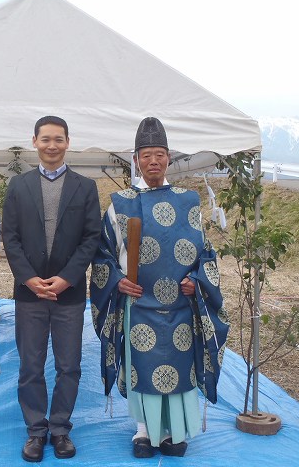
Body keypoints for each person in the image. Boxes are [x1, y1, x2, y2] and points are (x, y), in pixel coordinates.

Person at [90, 117, 229, 458]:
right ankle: (143, 431)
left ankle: (174, 433)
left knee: (180, 369)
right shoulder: (120, 203)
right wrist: (117, 280)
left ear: (169, 158)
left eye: (160, 154)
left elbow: (205, 252)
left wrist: (197, 280)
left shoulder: (189, 201)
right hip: (138, 305)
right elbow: (103, 253)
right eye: (146, 155)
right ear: (136, 160)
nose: (153, 161)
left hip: (181, 305)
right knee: (141, 367)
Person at [2, 116, 101, 462]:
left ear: (68, 143)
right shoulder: (18, 185)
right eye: (45, 139)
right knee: (30, 366)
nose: (52, 145)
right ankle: (35, 430)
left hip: (68, 293)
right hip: (29, 293)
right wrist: (28, 278)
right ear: (34, 142)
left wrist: (68, 277)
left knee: (68, 365)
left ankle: (60, 429)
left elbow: (91, 238)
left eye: (58, 139)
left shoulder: (85, 187)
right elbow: (10, 236)